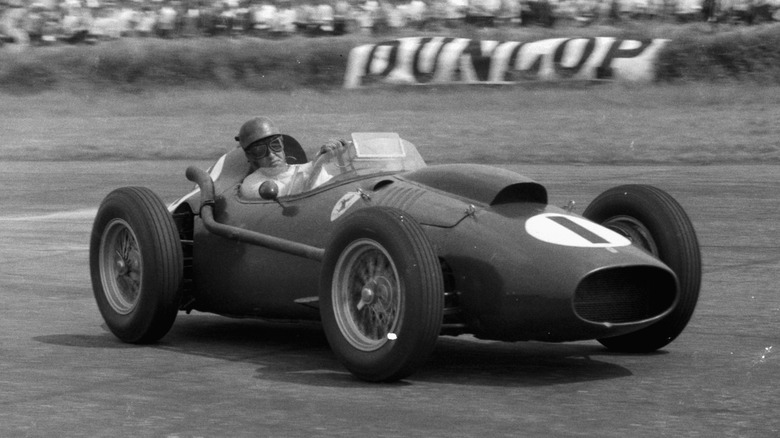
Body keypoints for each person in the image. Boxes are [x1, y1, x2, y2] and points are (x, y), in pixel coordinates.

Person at [236, 116, 345, 199]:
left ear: (283, 145)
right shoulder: (251, 184)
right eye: (260, 151)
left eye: (275, 145)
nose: (271, 155)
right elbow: (287, 195)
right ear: (251, 156)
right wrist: (317, 164)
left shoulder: (307, 168)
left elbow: (336, 191)